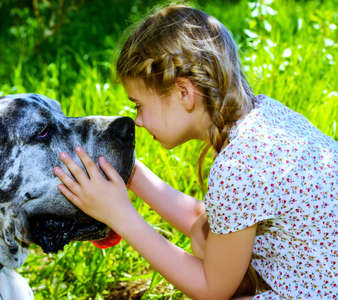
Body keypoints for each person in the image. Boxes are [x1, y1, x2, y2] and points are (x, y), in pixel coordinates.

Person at [53, 5, 337, 299]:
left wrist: (120, 216)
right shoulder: (265, 120)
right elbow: (207, 222)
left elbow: (212, 289)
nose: (138, 119)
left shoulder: (239, 166)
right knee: (206, 241)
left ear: (184, 93)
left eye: (139, 105)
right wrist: (131, 173)